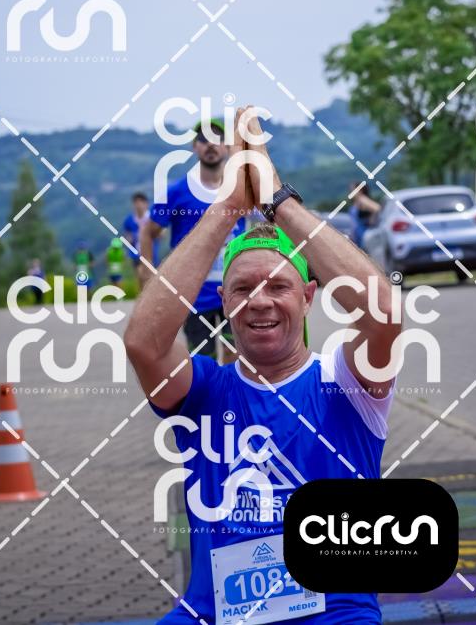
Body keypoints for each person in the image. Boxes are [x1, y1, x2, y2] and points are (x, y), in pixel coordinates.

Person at [125, 107, 400, 625]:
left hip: (333, 613)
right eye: (242, 289)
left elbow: (384, 314)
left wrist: (277, 198)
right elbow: (143, 343)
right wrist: (228, 206)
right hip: (213, 613)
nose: (260, 301)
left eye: (278, 286)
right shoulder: (204, 390)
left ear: (309, 297)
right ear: (224, 304)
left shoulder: (344, 382)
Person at [140, 118, 246, 362]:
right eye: (203, 139)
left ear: (227, 146)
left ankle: (229, 390)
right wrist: (148, 273)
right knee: (203, 362)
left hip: (235, 290)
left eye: (217, 138)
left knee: (236, 355)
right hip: (192, 296)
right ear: (194, 146)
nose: (210, 144)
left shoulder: (240, 190)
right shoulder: (177, 192)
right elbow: (148, 231)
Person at [123, 192, 157, 288]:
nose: (138, 205)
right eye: (136, 203)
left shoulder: (152, 218)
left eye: (141, 202)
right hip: (136, 254)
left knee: (149, 278)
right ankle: (142, 294)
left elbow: (161, 233)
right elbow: (127, 236)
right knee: (140, 276)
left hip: (150, 253)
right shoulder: (129, 220)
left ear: (146, 204)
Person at [349, 181, 381, 248]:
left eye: (353, 190)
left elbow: (378, 208)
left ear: (360, 190)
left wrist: (372, 219)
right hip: (358, 236)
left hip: (364, 235)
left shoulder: (362, 200)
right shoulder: (357, 202)